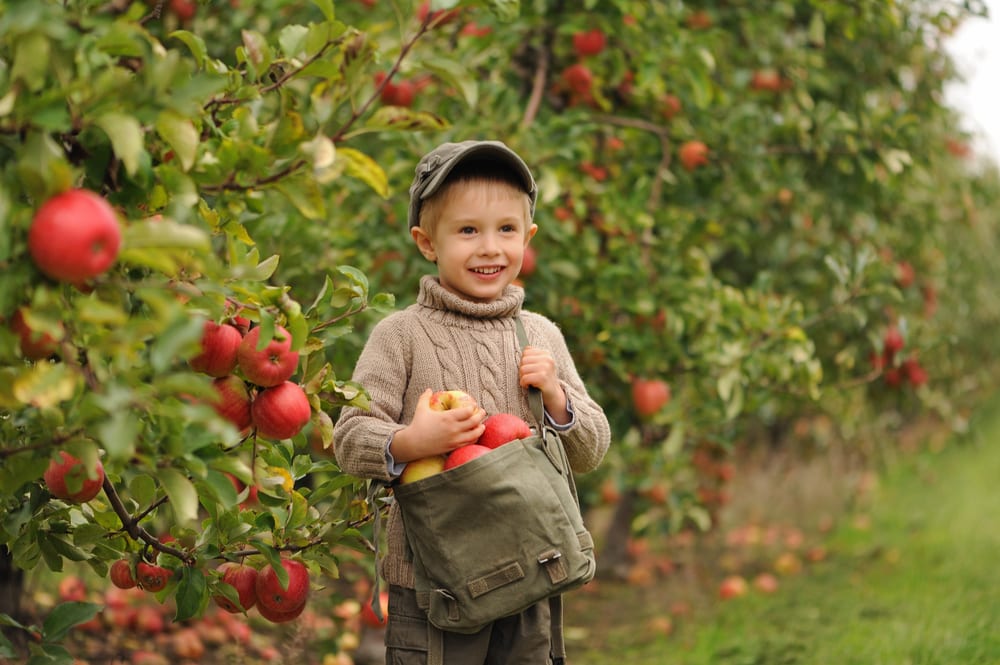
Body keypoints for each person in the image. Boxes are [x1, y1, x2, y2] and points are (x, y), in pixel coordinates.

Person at [334, 139, 611, 665]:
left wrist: (556, 397)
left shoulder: (539, 335)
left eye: (506, 230)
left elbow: (590, 451)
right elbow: (348, 438)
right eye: (467, 230)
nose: (489, 247)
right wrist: (412, 442)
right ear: (426, 242)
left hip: (534, 568)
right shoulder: (401, 337)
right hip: (435, 584)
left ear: (528, 237)